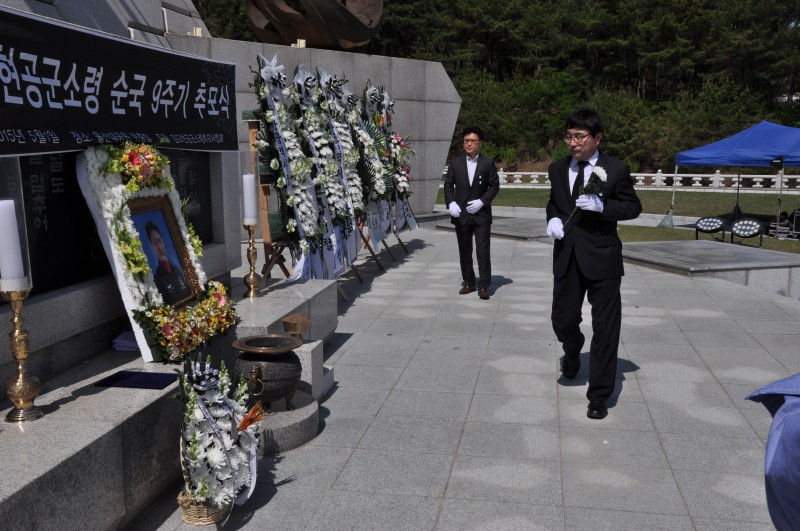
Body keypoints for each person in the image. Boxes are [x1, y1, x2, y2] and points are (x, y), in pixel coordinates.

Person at [545, 109, 642, 420]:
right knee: (562, 320)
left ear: (597, 138)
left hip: (603, 259)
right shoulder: (558, 169)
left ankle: (599, 395)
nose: (572, 142)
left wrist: (603, 206)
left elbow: (633, 207)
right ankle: (572, 350)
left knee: (605, 328)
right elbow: (554, 203)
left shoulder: (615, 169)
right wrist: (552, 220)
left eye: (579, 136)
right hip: (567, 257)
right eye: (568, 136)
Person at [443, 126, 500, 300]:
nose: (469, 144)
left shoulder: (487, 163)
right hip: (461, 214)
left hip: (481, 214)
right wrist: (451, 203)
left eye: (473, 141)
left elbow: (494, 186)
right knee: (465, 250)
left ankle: (484, 286)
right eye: (466, 141)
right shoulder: (456, 163)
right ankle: (468, 282)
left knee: (483, 251)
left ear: (480, 143)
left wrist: (482, 201)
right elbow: (448, 184)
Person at [146, 221, 192, 306]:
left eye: (159, 241)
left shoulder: (177, 270)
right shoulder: (157, 279)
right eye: (155, 243)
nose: (159, 247)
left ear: (163, 242)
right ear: (151, 247)